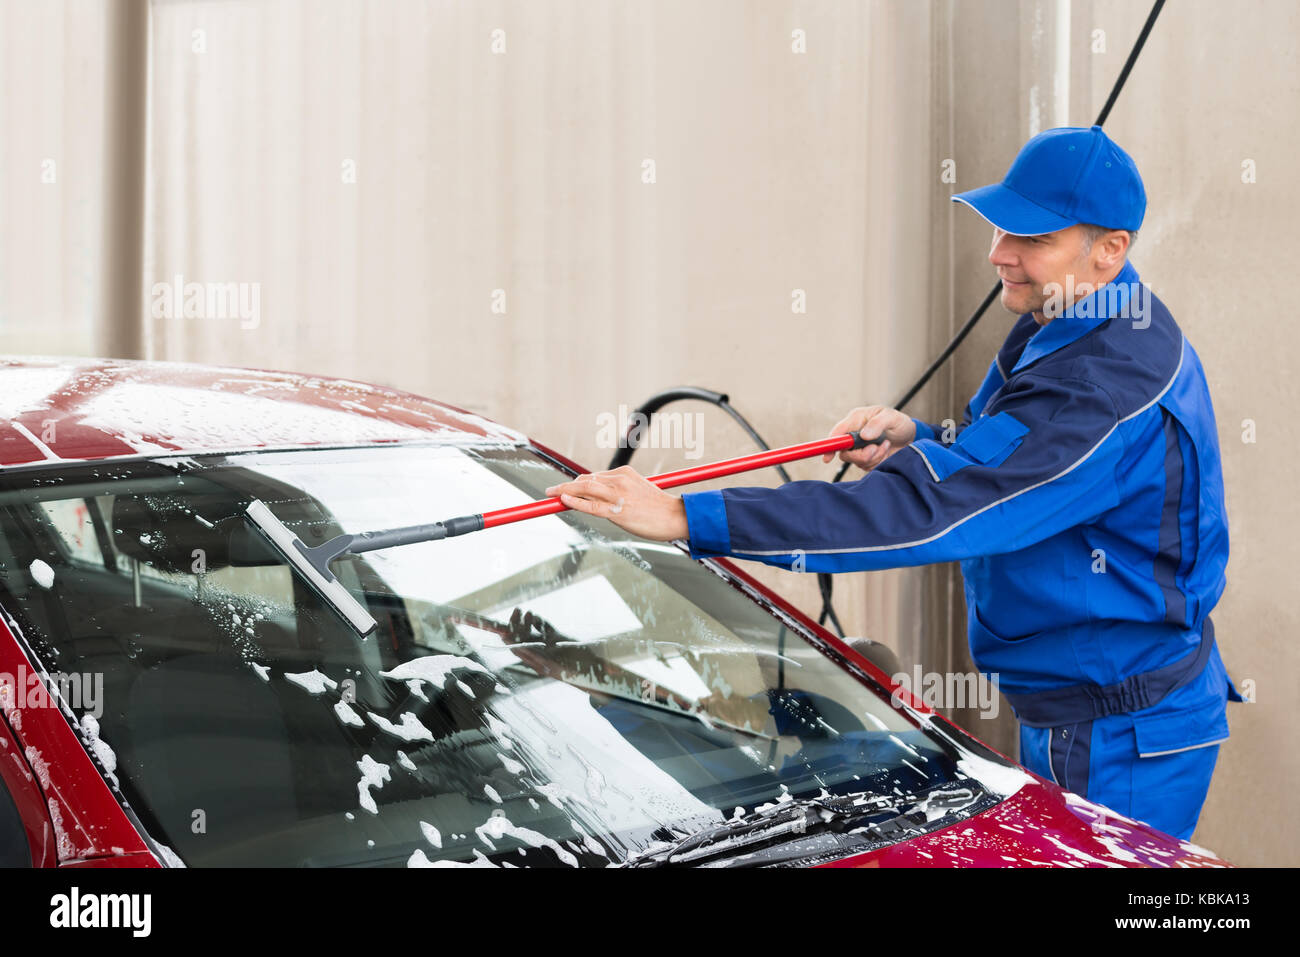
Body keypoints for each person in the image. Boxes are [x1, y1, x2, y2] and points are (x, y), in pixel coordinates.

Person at [544, 125, 1243, 841]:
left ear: (1110, 249)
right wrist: (925, 437)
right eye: (1002, 227)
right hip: (1078, 706)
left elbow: (932, 511)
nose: (998, 253)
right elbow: (1011, 460)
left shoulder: (1102, 385)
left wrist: (689, 517)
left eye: (1032, 238)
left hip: (1120, 733)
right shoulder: (1070, 318)